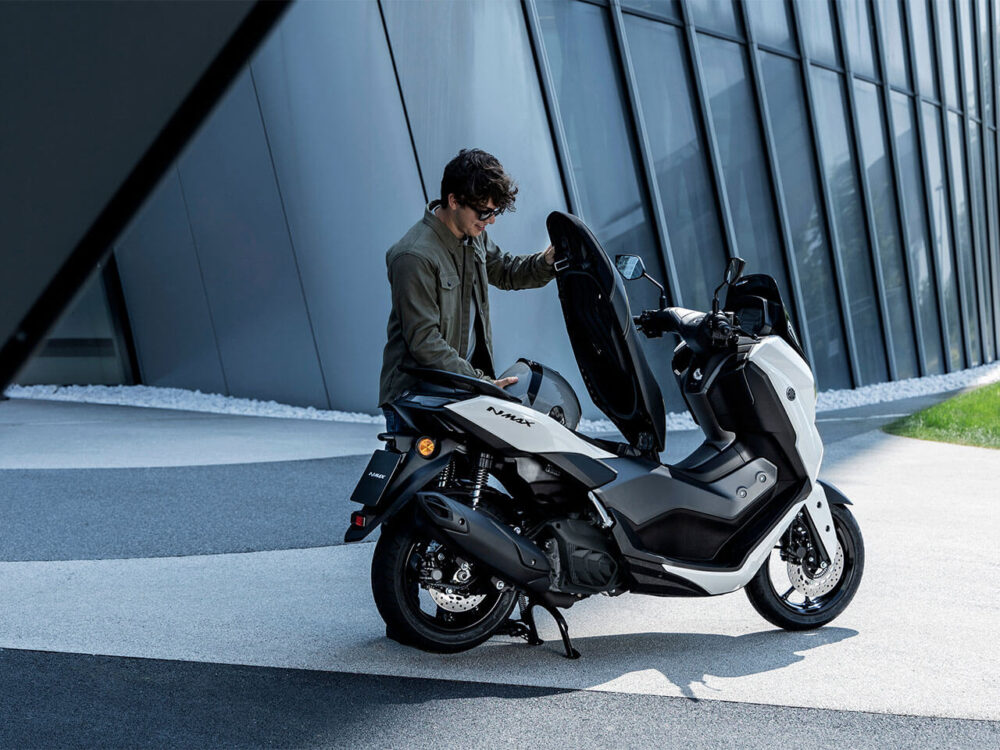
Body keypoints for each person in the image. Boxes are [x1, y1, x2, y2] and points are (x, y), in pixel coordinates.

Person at [378, 148, 556, 431]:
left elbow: (507, 271)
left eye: (494, 212)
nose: (491, 221)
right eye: (485, 212)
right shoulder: (413, 257)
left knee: (471, 476)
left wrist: (547, 261)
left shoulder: (472, 238)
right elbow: (425, 342)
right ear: (454, 200)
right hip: (418, 399)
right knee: (429, 478)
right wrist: (482, 383)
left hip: (462, 393)